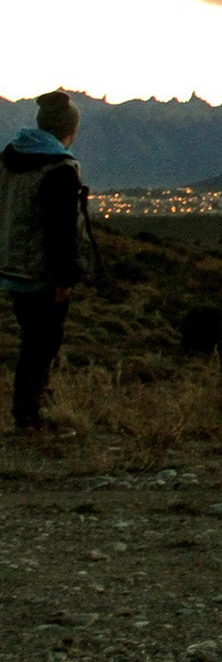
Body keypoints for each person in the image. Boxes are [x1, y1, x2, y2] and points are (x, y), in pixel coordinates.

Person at [1, 90, 88, 434]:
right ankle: (28, 417)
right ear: (68, 130)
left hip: (10, 266)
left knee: (31, 340)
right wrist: (65, 279)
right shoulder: (60, 169)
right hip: (41, 273)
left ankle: (31, 408)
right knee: (42, 344)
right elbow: (61, 231)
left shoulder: (9, 157)